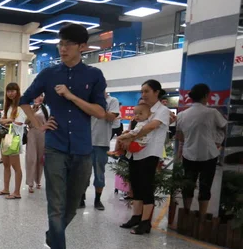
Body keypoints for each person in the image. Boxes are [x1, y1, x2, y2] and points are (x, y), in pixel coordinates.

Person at [19, 24, 107, 249]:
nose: (63, 48)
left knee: (72, 205)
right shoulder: (48, 74)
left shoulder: (94, 75)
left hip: (82, 148)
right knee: (56, 206)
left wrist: (70, 96)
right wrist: (37, 125)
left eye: (68, 44)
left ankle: (52, 235)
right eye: (61, 43)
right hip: (55, 147)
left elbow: (100, 112)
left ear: (82, 47)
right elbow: (25, 100)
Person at [117, 80, 170, 235]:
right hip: (135, 153)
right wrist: (127, 138)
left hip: (150, 153)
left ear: (156, 92)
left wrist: (130, 137)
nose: (143, 95)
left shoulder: (162, 110)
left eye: (146, 91)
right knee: (136, 185)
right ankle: (136, 217)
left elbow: (150, 127)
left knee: (146, 187)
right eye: (142, 92)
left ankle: (145, 223)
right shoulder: (143, 109)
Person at [176, 83, 228, 220]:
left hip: (188, 154)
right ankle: (202, 216)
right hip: (209, 154)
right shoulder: (212, 113)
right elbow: (225, 127)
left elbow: (180, 136)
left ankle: (186, 213)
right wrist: (218, 139)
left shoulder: (181, 115)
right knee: (205, 187)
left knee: (188, 185)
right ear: (206, 96)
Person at [81, 91, 120, 210]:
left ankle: (97, 200)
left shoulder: (112, 101)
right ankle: (81, 198)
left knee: (99, 173)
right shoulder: (87, 100)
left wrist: (99, 107)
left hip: (101, 143)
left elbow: (112, 116)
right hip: (85, 142)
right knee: (83, 173)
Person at [0, 83, 27, 199]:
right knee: (6, 164)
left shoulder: (21, 106)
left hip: (14, 137)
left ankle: (17, 192)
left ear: (17, 91)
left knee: (16, 166)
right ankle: (6, 189)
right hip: (6, 136)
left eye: (13, 91)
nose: (10, 93)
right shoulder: (8, 106)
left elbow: (19, 122)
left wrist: (7, 120)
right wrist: (7, 120)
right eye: (8, 91)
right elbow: (4, 120)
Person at [25, 94, 48, 194]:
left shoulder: (46, 108)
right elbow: (25, 121)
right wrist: (33, 111)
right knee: (31, 158)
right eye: (37, 96)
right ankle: (30, 183)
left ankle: (38, 180)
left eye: (40, 96)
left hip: (43, 134)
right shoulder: (30, 108)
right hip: (32, 133)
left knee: (40, 158)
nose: (38, 98)